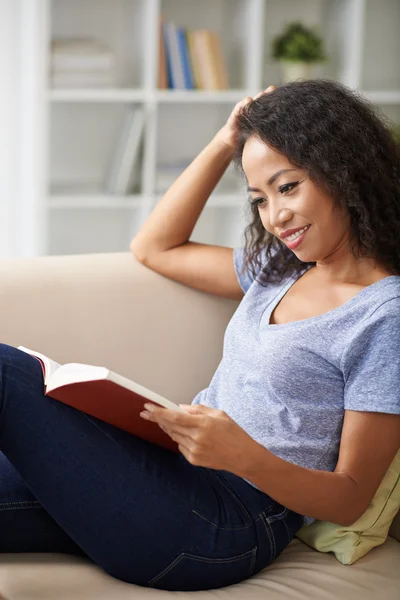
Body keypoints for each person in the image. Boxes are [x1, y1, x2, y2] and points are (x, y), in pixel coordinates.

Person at [1, 80, 400, 592]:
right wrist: (224, 141)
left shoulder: (384, 315)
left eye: (288, 187)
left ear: (345, 170)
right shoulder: (279, 269)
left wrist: (243, 456)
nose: (275, 218)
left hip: (228, 524)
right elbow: (154, 247)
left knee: (7, 373)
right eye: (259, 198)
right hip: (167, 477)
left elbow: (350, 498)